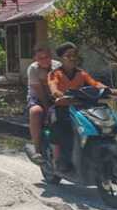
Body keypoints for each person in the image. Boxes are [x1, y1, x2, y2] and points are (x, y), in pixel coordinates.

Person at [47, 42, 107, 171]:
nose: (72, 58)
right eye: (68, 55)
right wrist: (57, 93)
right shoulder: (55, 73)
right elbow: (53, 85)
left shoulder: (81, 73)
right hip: (62, 108)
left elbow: (94, 83)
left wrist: (105, 89)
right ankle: (58, 160)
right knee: (60, 128)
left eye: (74, 55)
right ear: (61, 58)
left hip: (80, 108)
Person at [24, 45, 61, 164]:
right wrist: (47, 108)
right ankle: (37, 150)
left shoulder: (58, 66)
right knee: (36, 112)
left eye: (47, 57)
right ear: (35, 58)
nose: (44, 60)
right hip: (37, 98)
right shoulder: (33, 69)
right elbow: (39, 91)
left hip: (55, 97)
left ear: (51, 56)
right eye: (41, 58)